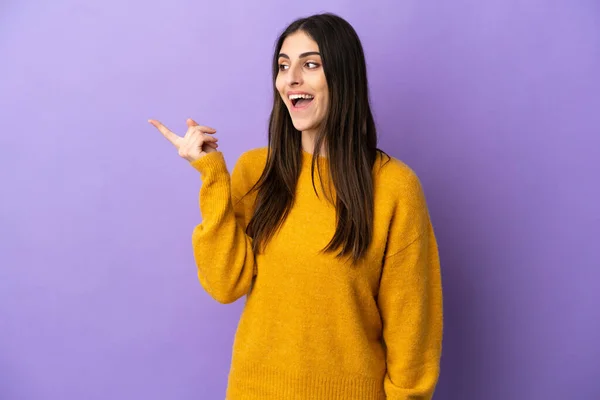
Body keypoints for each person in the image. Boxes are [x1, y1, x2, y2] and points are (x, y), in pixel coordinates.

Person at [149, 12, 443, 400]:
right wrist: (213, 177)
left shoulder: (394, 187)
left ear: (342, 77)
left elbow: (413, 333)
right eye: (284, 66)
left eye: (310, 64)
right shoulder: (256, 171)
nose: (291, 79)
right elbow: (225, 284)